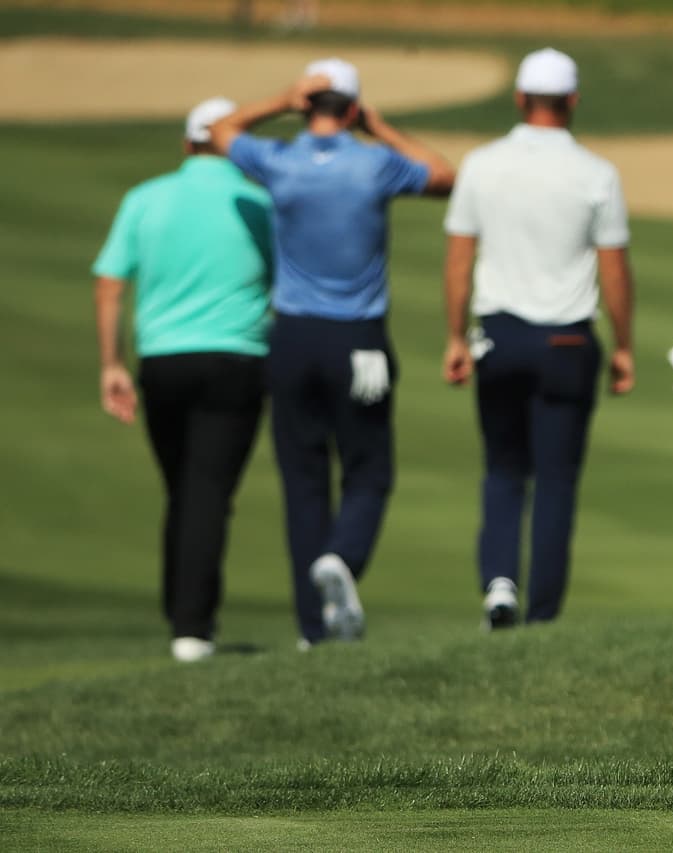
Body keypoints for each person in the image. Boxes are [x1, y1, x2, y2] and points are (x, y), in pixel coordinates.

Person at [208, 58, 455, 647]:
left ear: (308, 106)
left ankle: (313, 629)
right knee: (369, 470)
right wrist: (381, 128)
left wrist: (279, 99)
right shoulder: (374, 163)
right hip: (358, 340)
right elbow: (444, 175)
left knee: (303, 481)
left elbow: (221, 130)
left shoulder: (279, 161)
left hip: (292, 339)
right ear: (351, 109)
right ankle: (342, 559)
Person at [442, 47, 636, 629]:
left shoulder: (480, 163)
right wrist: (624, 346)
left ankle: (499, 587)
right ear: (573, 101)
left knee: (503, 470)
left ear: (520, 98)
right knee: (554, 482)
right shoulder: (597, 173)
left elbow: (458, 261)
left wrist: (455, 337)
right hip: (568, 344)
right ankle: (544, 616)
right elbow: (614, 270)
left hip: (497, 337)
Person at [92, 97, 274, 662]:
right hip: (237, 360)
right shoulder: (259, 201)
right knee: (207, 493)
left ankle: (181, 616)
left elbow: (109, 283)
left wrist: (112, 364)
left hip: (163, 365)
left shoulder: (145, 198)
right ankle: (192, 629)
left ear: (185, 142)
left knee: (185, 489)